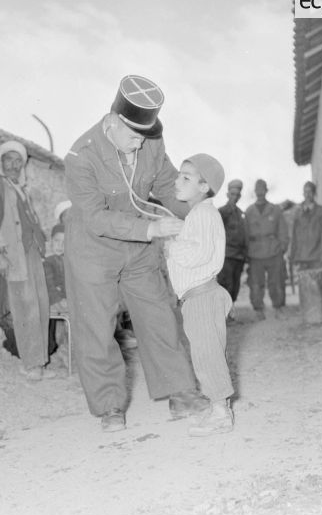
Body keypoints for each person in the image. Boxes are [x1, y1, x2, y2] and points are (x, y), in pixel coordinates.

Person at [64, 74, 207, 432]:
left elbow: (168, 187)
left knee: (160, 316)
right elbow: (95, 217)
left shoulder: (149, 143)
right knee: (96, 329)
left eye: (145, 137)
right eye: (132, 137)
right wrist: (150, 229)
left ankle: (181, 392)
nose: (139, 145)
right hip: (94, 253)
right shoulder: (81, 156)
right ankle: (110, 407)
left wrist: (200, 213)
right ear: (111, 122)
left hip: (139, 250)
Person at [165, 154, 234, 437]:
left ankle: (220, 414)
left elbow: (200, 254)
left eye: (186, 177)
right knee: (206, 354)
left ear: (205, 187)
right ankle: (218, 407)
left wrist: (172, 246)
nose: (177, 181)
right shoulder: (197, 215)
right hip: (197, 297)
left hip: (202, 297)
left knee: (208, 355)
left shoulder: (204, 213)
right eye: (179, 175)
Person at [0, 140, 55, 381]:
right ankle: (30, 364)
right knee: (24, 307)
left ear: (23, 164)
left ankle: (40, 361)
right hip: (12, 254)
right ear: (1, 162)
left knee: (40, 305)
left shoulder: (21, 188)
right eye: (8, 159)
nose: (13, 164)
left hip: (31, 253)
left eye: (18, 160)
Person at [244, 179, 289, 321]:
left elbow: (282, 229)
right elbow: (245, 233)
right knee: (256, 283)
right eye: (257, 189)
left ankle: (279, 308)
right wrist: (246, 251)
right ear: (255, 191)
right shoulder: (249, 211)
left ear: (266, 190)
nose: (260, 191)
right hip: (255, 252)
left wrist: (282, 246)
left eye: (262, 188)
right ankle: (258, 310)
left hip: (273, 250)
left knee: (277, 281)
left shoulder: (275, 209)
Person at [217, 179, 248, 323]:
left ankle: (230, 311)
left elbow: (244, 235)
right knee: (226, 284)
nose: (235, 197)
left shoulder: (241, 214)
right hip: (226, 255)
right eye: (232, 193)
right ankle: (224, 315)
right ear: (227, 194)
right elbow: (215, 233)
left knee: (235, 285)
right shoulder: (221, 212)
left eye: (238, 194)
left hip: (239, 256)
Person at [43, 223, 69, 368]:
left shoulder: (67, 260)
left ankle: (68, 351)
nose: (60, 245)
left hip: (65, 301)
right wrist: (60, 300)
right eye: (57, 241)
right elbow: (50, 286)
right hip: (53, 303)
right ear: (51, 241)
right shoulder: (47, 262)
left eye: (64, 242)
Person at [289, 181, 322, 270]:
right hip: (301, 258)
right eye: (305, 192)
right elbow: (294, 236)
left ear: (314, 193)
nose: (307, 194)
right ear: (303, 193)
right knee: (303, 283)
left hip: (316, 258)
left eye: (310, 192)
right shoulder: (297, 213)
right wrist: (292, 256)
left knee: (318, 283)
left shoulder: (321, 211)